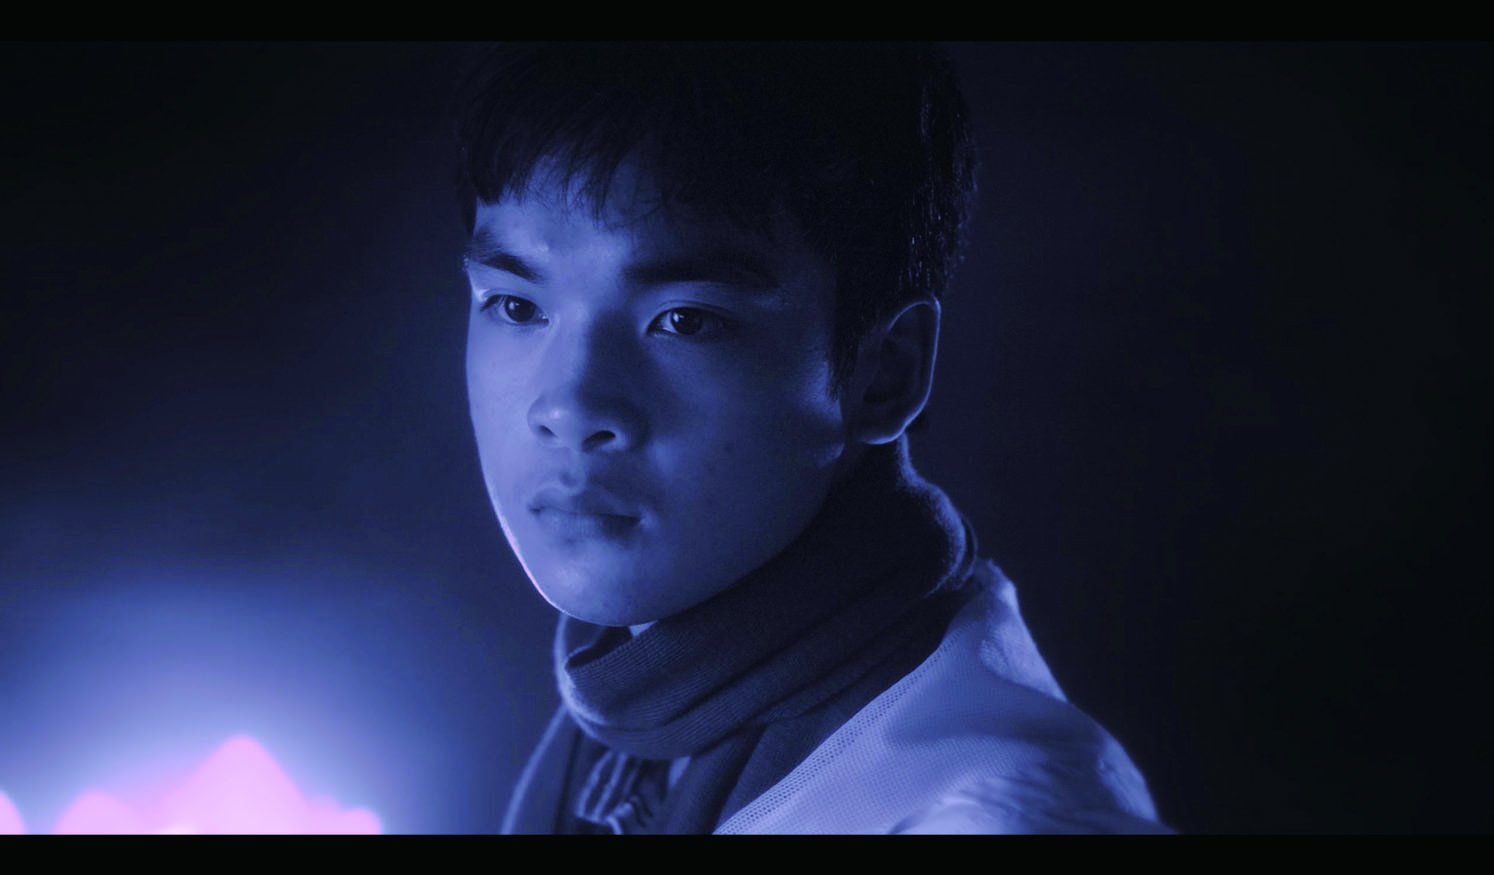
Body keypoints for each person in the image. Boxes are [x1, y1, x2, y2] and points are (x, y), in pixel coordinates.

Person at [454, 42, 1166, 834]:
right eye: (517, 306)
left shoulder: (989, 815)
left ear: (884, 373)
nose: (570, 405)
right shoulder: (635, 714)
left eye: (686, 319)